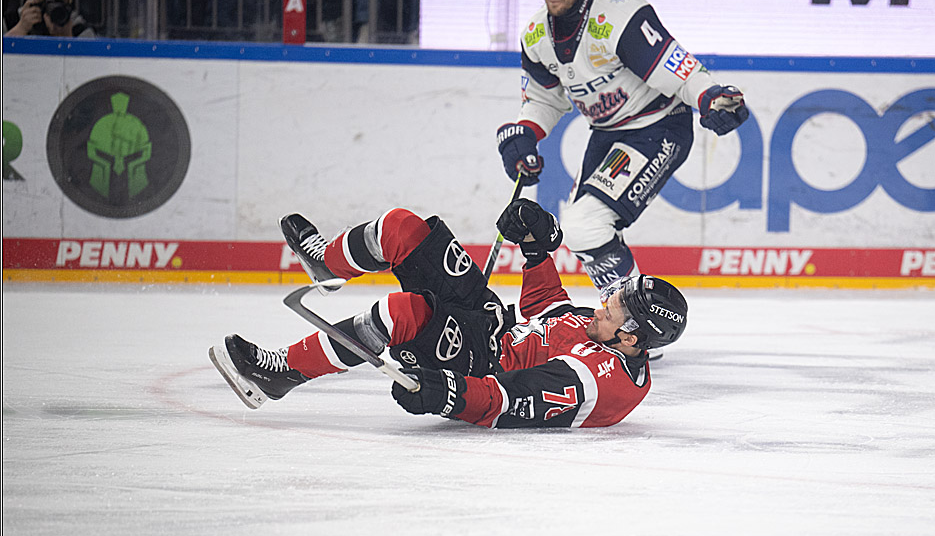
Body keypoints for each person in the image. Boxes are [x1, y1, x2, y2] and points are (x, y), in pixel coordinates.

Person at [209, 199, 689, 428]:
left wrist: (449, 396)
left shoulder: (600, 382)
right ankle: (326, 261)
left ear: (632, 339)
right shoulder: (603, 329)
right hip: (489, 323)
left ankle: (282, 372)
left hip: (481, 366)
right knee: (402, 228)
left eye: (618, 305)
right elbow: (548, 312)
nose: (606, 300)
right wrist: (537, 249)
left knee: (405, 312)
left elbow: (509, 400)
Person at [496, 0, 748, 293]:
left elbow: (680, 71)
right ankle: (628, 317)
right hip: (607, 135)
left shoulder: (620, 15)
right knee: (579, 229)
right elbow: (543, 100)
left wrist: (712, 98)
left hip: (657, 126)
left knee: (587, 225)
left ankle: (633, 324)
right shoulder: (536, 36)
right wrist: (523, 135)